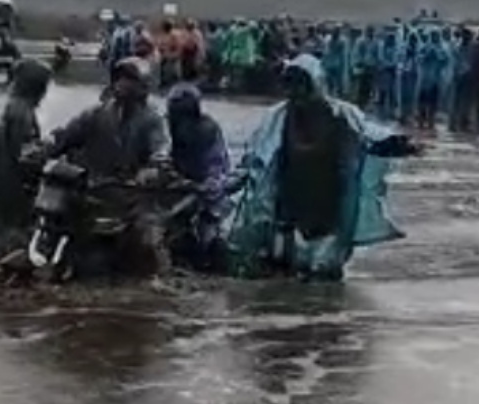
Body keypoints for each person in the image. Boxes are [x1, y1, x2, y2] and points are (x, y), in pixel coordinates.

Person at [226, 54, 419, 282]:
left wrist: (398, 144)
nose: (296, 92)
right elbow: (257, 155)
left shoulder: (341, 115)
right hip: (289, 199)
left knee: (325, 270)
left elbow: (368, 136)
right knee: (282, 267)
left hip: (328, 200)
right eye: (290, 84)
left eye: (301, 84)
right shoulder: (277, 118)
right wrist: (230, 183)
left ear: (315, 83)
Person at [43, 57, 172, 275]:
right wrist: (44, 147)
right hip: (94, 191)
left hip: (133, 196)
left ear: (143, 86)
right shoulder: (96, 113)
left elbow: (161, 149)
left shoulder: (153, 120)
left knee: (147, 243)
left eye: (130, 79)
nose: (123, 84)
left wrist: (152, 168)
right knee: (56, 219)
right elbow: (66, 135)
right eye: (120, 78)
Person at [0, 59, 53, 262]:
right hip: (14, 195)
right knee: (14, 248)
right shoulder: (24, 114)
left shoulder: (2, 110)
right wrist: (48, 152)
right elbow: (28, 158)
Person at [166, 83, 231, 271]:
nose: (181, 122)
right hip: (170, 191)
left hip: (205, 194)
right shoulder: (162, 126)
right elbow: (158, 155)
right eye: (177, 114)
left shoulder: (208, 130)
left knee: (213, 243)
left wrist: (209, 185)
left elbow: (218, 165)